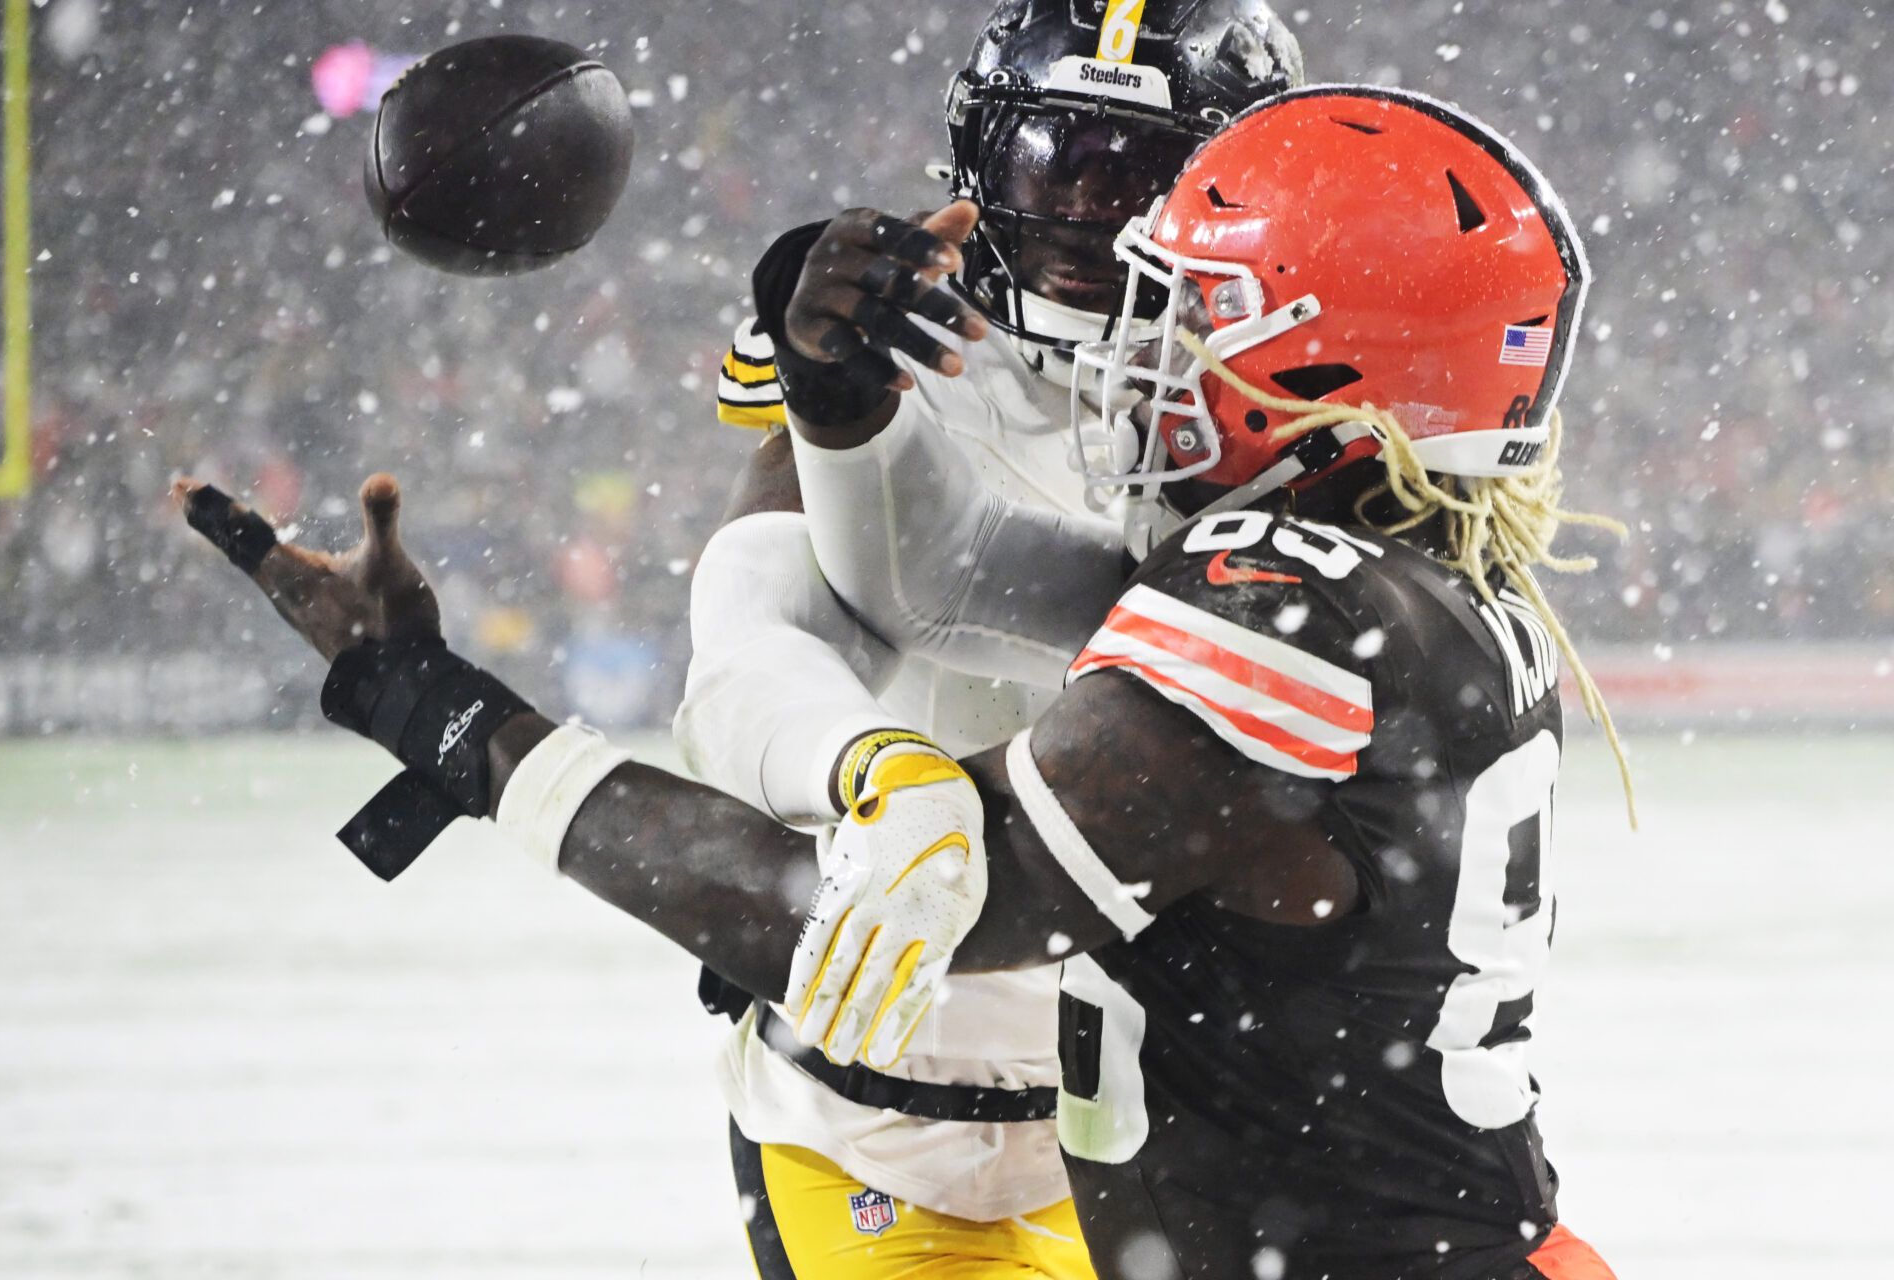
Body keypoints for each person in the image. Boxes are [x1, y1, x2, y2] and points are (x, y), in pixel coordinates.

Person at [177, 87, 1620, 1279]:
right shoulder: (1381, 575)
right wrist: (833, 389)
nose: (1144, 354)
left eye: (1195, 318)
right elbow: (942, 571)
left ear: (1318, 359)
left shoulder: (1282, 602)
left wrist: (447, 722)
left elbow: (857, 920)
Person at [686, 1, 1302, 1273]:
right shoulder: (892, 351)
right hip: (875, 1120)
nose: (1085, 215)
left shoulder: (1273, 405)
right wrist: (830, 384)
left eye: (1137, 172)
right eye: (1052, 158)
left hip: (1154, 1126)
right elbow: (750, 641)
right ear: (977, 155)